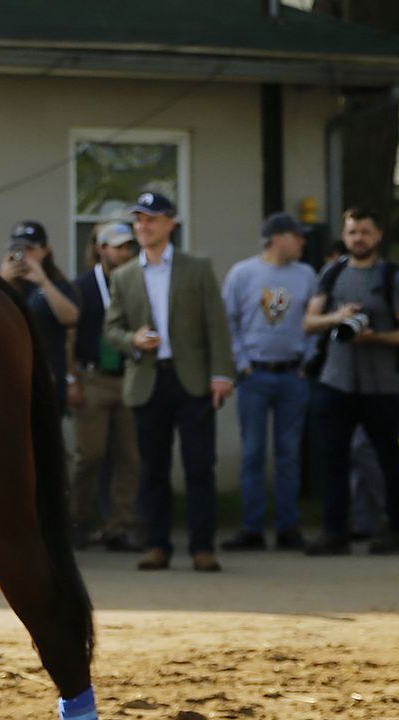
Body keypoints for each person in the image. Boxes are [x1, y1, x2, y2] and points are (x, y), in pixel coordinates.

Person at [101, 192, 235, 573]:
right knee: (152, 469)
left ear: (171, 223)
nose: (143, 226)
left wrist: (222, 373)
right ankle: (157, 545)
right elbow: (111, 328)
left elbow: (216, 324)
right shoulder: (125, 275)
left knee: (199, 467)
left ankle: (202, 548)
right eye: (139, 220)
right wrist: (133, 341)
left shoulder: (197, 267)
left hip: (191, 380)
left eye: (152, 219)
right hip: (148, 380)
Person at [302, 208, 399, 556]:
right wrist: (337, 317)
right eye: (353, 232)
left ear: (378, 235)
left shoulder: (393, 278)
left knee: (388, 459)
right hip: (335, 381)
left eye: (365, 232)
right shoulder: (332, 273)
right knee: (333, 460)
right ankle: (334, 531)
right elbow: (309, 323)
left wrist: (375, 337)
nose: (358, 239)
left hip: (381, 385)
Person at [220, 213, 317, 551]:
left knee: (289, 454)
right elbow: (227, 321)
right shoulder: (243, 274)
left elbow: (315, 320)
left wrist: (308, 361)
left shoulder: (306, 275)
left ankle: (289, 527)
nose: (303, 242)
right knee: (252, 453)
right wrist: (242, 364)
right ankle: (252, 528)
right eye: (297, 236)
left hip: (292, 375)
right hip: (255, 376)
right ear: (278, 238)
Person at [66, 222, 143, 551]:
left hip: (130, 377)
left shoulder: (139, 283)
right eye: (116, 246)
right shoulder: (81, 286)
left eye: (128, 246)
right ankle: (74, 522)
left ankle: (118, 527)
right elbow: (68, 337)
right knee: (90, 455)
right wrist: (71, 378)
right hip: (93, 378)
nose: (123, 252)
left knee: (129, 457)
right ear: (100, 248)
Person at [0, 220, 80, 406]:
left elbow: (71, 317)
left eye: (30, 248)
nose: (23, 254)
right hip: (12, 375)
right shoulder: (3, 283)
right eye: (17, 248)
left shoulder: (58, 284)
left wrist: (43, 282)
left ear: (45, 250)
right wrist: (2, 280)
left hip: (47, 375)